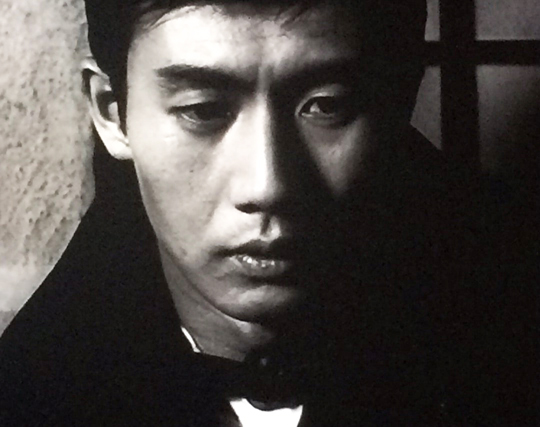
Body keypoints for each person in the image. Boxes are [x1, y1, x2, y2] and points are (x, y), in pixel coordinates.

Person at [0, 0, 488, 425]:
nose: (267, 186)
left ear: (399, 101)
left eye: (326, 106)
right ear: (112, 112)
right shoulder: (31, 389)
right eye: (202, 110)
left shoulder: (504, 344)